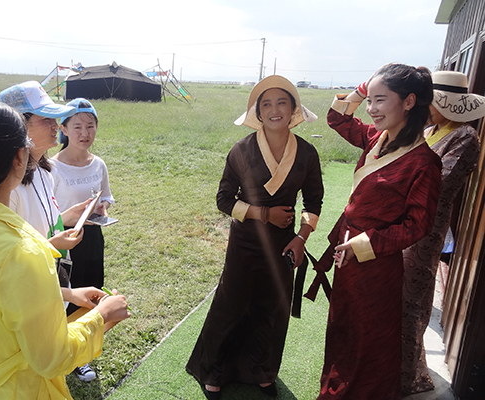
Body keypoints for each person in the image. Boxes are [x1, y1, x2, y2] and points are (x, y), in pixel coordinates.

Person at [0, 97, 130, 399]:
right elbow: (53, 358)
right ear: (20, 156)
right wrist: (102, 316)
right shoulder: (23, 252)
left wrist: (67, 294)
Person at [307, 63, 442, 400]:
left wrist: (364, 245)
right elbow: (337, 119)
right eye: (369, 100)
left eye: (380, 100)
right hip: (347, 254)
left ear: (409, 102)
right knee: (343, 328)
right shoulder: (375, 138)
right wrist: (360, 89)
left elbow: (418, 224)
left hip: (376, 264)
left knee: (369, 337)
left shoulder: (424, 162)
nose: (370, 109)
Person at [186, 75, 324, 399]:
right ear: (258, 113)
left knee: (272, 307)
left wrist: (301, 238)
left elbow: (314, 202)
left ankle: (262, 370)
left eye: (282, 102)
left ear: (294, 109)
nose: (275, 110)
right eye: (267, 104)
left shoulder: (307, 153)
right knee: (231, 303)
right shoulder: (242, 150)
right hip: (244, 242)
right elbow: (224, 200)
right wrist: (263, 214)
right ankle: (214, 370)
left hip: (283, 243)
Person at [0, 81, 99, 382]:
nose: (57, 126)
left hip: (53, 274)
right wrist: (52, 244)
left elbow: (42, 223)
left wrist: (69, 217)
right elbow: (9, 260)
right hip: (33, 285)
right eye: (46, 119)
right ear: (19, 126)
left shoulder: (44, 171)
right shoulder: (7, 188)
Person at [401, 71, 484, 395]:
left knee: (412, 298)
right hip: (403, 221)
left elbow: (440, 183)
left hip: (427, 227)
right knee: (396, 293)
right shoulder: (430, 129)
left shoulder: (466, 137)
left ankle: (407, 374)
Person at [51, 98, 114, 316]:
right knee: (68, 296)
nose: (84, 133)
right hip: (64, 241)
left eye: (90, 126)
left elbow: (106, 196)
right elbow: (47, 216)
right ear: (63, 129)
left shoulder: (98, 164)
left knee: (94, 288)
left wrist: (103, 207)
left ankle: (92, 326)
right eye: (77, 127)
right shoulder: (52, 168)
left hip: (93, 237)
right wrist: (65, 219)